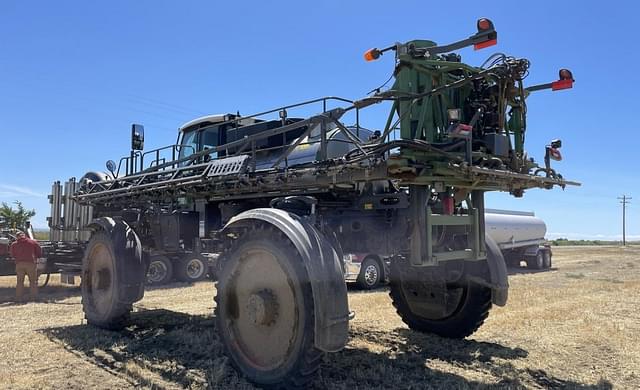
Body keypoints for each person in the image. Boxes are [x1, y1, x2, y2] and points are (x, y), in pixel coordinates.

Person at [9, 231, 42, 302]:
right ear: (25, 235)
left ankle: (18, 298)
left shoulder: (14, 244)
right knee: (33, 281)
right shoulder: (32, 242)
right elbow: (39, 251)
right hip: (31, 264)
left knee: (20, 282)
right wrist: (37, 257)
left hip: (19, 264)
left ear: (17, 237)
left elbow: (12, 255)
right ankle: (33, 298)